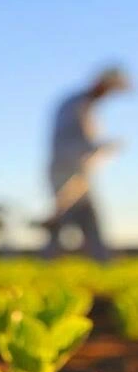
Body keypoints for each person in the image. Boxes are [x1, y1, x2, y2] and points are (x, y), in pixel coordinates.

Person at [40, 67, 130, 262]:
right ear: (101, 84)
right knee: (63, 219)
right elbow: (72, 141)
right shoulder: (75, 105)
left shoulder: (87, 107)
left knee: (88, 220)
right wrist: (104, 146)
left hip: (79, 174)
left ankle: (101, 261)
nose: (109, 94)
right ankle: (48, 262)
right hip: (66, 171)